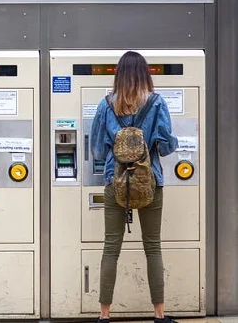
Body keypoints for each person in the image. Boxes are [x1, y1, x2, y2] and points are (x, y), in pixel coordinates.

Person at [90, 51, 179, 323]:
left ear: (119, 75)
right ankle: (159, 315)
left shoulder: (106, 105)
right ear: (145, 74)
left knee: (110, 248)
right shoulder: (156, 103)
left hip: (114, 183)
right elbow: (165, 146)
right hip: (149, 181)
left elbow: (96, 149)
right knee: (153, 247)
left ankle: (104, 316)